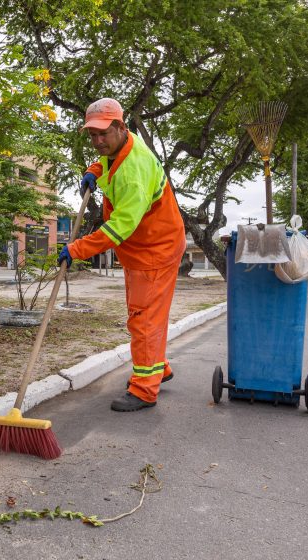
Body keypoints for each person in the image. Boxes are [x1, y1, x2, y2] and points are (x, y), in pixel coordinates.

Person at [58, 98, 186, 412]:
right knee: (142, 314)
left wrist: (78, 249)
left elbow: (119, 229)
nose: (98, 141)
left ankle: (144, 389)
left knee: (144, 319)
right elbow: (107, 161)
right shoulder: (121, 148)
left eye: (103, 133)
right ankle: (158, 368)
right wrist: (93, 170)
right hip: (142, 250)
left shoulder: (134, 171)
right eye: (92, 135)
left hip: (155, 250)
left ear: (120, 127)